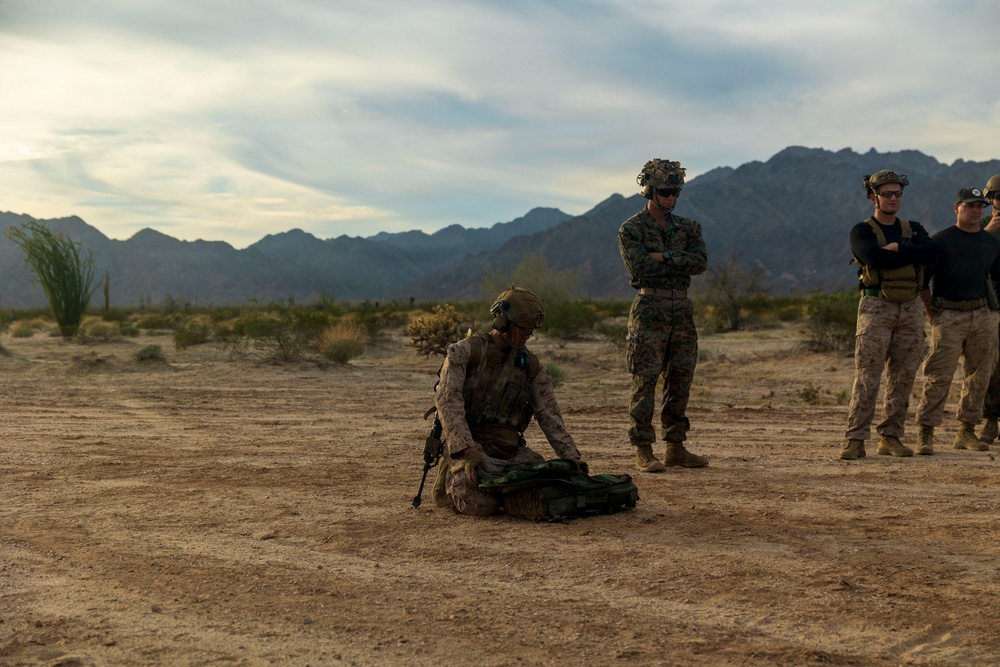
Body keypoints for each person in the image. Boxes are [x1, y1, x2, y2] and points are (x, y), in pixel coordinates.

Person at [431, 286, 588, 516]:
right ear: (503, 322)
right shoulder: (466, 352)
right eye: (523, 330)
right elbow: (448, 401)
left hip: (510, 453)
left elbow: (550, 416)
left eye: (531, 331)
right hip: (471, 449)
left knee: (547, 482)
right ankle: (451, 478)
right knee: (482, 505)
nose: (528, 336)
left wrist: (572, 458)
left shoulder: (531, 367)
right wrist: (467, 450)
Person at [617, 158, 708, 472]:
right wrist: (677, 260)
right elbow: (639, 266)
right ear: (649, 190)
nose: (670, 197)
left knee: (681, 379)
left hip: (681, 309)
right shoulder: (631, 229)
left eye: (675, 192)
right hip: (649, 310)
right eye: (665, 191)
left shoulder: (690, 227)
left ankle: (675, 447)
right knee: (645, 380)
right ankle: (643, 449)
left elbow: (699, 262)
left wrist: (664, 256)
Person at [840, 170, 937, 460]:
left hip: (910, 307)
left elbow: (932, 253)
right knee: (868, 376)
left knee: (903, 376)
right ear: (874, 197)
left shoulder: (914, 228)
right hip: (876, 307)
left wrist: (897, 248)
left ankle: (891, 437)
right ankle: (856, 439)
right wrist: (910, 253)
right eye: (887, 194)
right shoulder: (862, 231)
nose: (894, 198)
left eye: (898, 194)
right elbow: (873, 257)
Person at [915, 187, 1000, 454]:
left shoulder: (990, 243)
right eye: (969, 206)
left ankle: (967, 431)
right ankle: (925, 433)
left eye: (980, 207)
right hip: (949, 315)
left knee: (978, 375)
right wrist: (931, 312)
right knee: (938, 375)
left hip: (981, 315)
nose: (975, 211)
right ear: (956, 208)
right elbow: (922, 281)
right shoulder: (941, 240)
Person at [976, 174, 1000, 444]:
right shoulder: (980, 226)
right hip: (990, 305)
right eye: (998, 196)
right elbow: (965, 257)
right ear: (990, 199)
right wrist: (987, 235)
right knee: (991, 367)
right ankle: (990, 420)